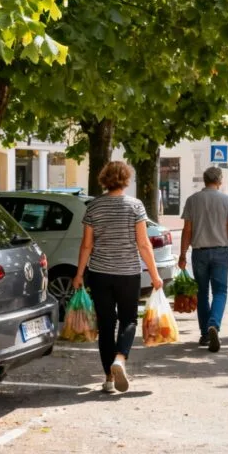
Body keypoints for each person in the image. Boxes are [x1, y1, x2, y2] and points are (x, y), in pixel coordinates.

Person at [72, 161, 163, 394]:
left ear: (104, 179)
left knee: (106, 324)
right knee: (128, 319)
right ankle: (120, 359)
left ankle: (108, 379)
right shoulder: (135, 206)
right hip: (128, 273)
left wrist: (79, 274)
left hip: (100, 273)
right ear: (126, 179)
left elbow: (86, 245)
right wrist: (155, 275)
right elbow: (143, 244)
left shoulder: (94, 206)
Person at [179, 167, 228, 353]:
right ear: (220, 180)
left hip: (199, 252)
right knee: (220, 292)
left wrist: (183, 254)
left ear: (204, 180)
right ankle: (214, 325)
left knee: (202, 293)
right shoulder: (227, 201)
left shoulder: (192, 200)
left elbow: (187, 230)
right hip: (220, 252)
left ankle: (204, 334)